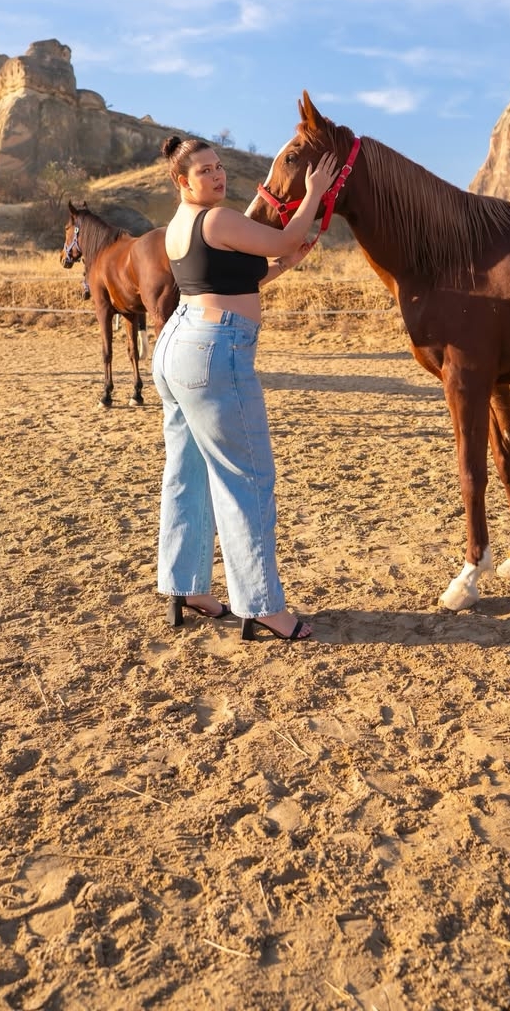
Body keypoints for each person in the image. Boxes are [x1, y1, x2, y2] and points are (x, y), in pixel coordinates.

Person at [152, 135, 339, 643]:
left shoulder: (182, 225)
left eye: (218, 166)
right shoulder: (216, 218)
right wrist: (315, 191)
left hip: (179, 344)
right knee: (247, 477)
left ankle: (185, 585)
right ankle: (261, 606)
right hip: (216, 351)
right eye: (205, 170)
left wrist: (287, 264)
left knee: (186, 471)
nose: (217, 175)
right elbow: (277, 239)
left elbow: (234, 278)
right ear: (181, 180)